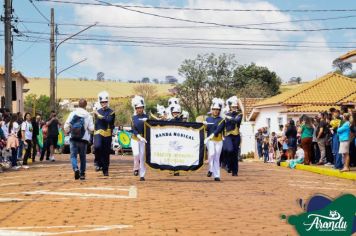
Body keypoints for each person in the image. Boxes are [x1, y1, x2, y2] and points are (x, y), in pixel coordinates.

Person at [64, 99, 94, 180]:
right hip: (83, 139)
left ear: (78, 104)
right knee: (82, 157)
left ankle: (75, 168)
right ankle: (82, 174)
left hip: (73, 138)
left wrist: (68, 131)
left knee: (73, 156)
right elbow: (91, 129)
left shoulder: (73, 113)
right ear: (85, 105)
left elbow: (66, 126)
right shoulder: (88, 115)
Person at [94, 91, 115, 176]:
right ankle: (98, 163)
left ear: (107, 102)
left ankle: (105, 169)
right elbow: (95, 122)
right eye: (102, 102)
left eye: (105, 102)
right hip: (98, 132)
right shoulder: (97, 111)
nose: (104, 103)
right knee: (97, 147)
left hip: (107, 133)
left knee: (106, 152)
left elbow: (109, 120)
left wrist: (99, 115)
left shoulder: (111, 112)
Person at [204, 98, 225, 181]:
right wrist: (204, 125)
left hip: (218, 140)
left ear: (219, 110)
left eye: (217, 110)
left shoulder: (222, 120)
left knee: (216, 157)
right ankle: (210, 169)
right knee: (211, 154)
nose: (216, 111)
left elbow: (218, 130)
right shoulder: (208, 119)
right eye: (214, 109)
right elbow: (206, 129)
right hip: (210, 141)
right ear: (211, 110)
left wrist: (209, 137)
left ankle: (217, 175)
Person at [222, 96, 243, 176]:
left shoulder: (239, 114)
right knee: (229, 150)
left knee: (235, 153)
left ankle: (235, 171)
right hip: (228, 135)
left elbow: (236, 121)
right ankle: (227, 164)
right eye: (233, 107)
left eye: (235, 107)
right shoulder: (226, 114)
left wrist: (227, 117)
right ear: (230, 107)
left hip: (236, 135)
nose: (234, 108)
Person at [131, 95, 148, 181]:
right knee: (136, 154)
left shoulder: (147, 117)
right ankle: (135, 168)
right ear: (135, 108)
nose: (139, 109)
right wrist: (139, 136)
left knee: (142, 157)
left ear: (143, 108)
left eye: (141, 107)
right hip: (135, 138)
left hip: (143, 139)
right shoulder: (133, 118)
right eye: (137, 108)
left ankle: (142, 175)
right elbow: (133, 129)